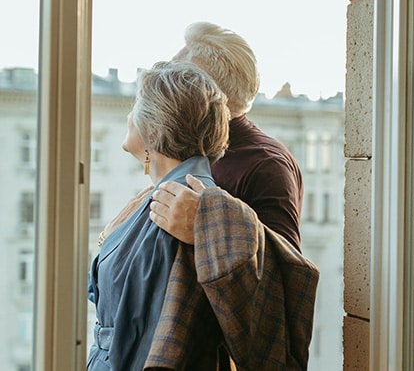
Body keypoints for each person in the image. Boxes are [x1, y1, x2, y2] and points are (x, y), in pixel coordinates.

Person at [87, 61, 319, 370]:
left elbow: (149, 338)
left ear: (153, 132)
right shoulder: (166, 198)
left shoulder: (180, 209)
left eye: (135, 107)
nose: (128, 117)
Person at [151, 22, 304, 252]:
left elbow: (287, 275)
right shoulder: (191, 149)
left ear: (205, 92)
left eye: (176, 79)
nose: (164, 90)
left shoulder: (267, 165)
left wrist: (206, 227)